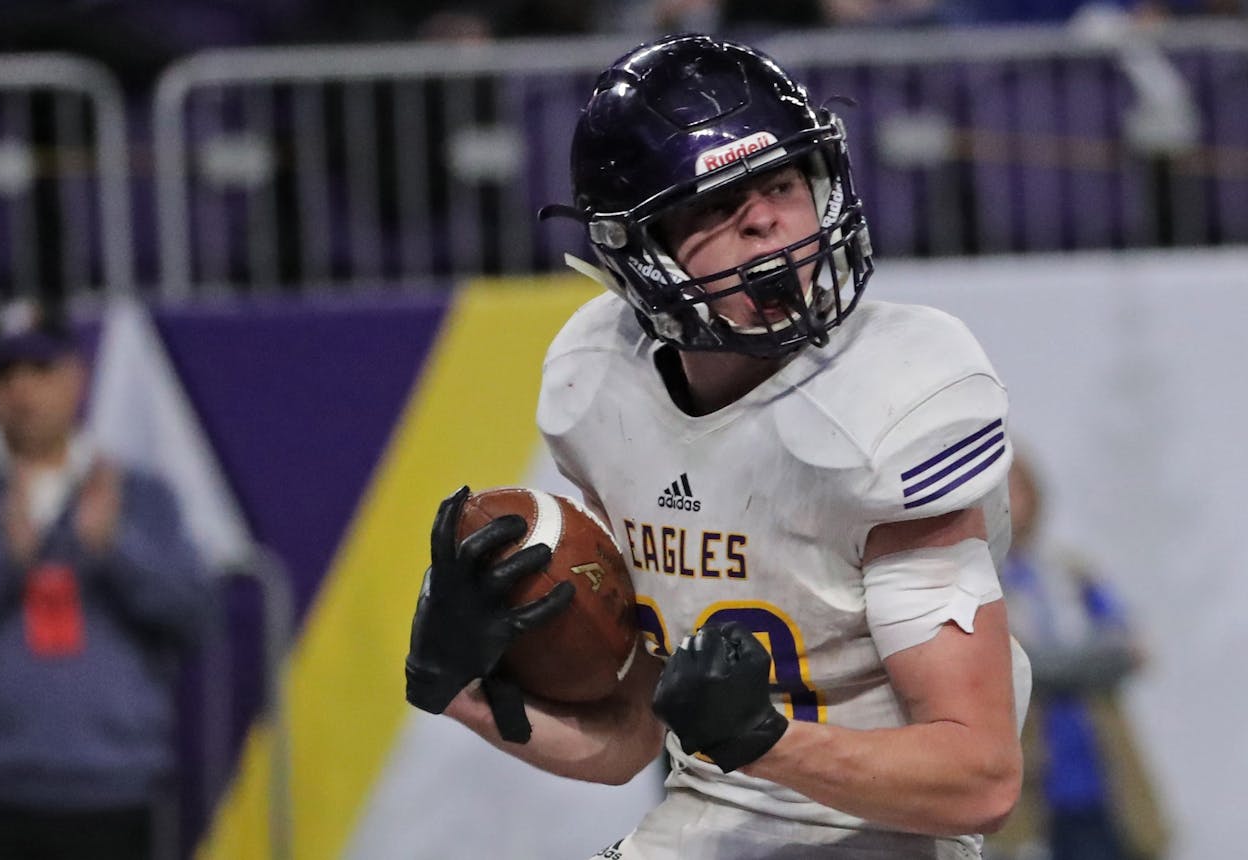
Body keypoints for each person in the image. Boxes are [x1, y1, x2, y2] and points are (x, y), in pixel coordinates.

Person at [403, 34, 1032, 858]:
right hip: (712, 817)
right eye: (714, 206)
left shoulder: (896, 399)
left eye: (780, 183)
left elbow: (980, 777)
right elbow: (631, 736)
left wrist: (765, 741)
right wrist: (454, 687)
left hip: (886, 834)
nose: (767, 218)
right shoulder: (597, 388)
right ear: (634, 249)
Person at [0, 299, 211, 860]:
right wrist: (0, 560)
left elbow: (195, 617)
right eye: (3, 374)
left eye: (40, 370)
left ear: (76, 377)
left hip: (109, 793)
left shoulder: (139, 494)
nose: (22, 392)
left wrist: (114, 549)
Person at [986, 452, 1167, 860]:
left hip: (1103, 775)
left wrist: (1052, 665)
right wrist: (1082, 663)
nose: (1009, 501)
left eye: (1016, 487)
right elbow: (1006, 665)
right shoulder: (980, 583)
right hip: (1032, 786)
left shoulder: (1069, 572)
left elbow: (1132, 646)